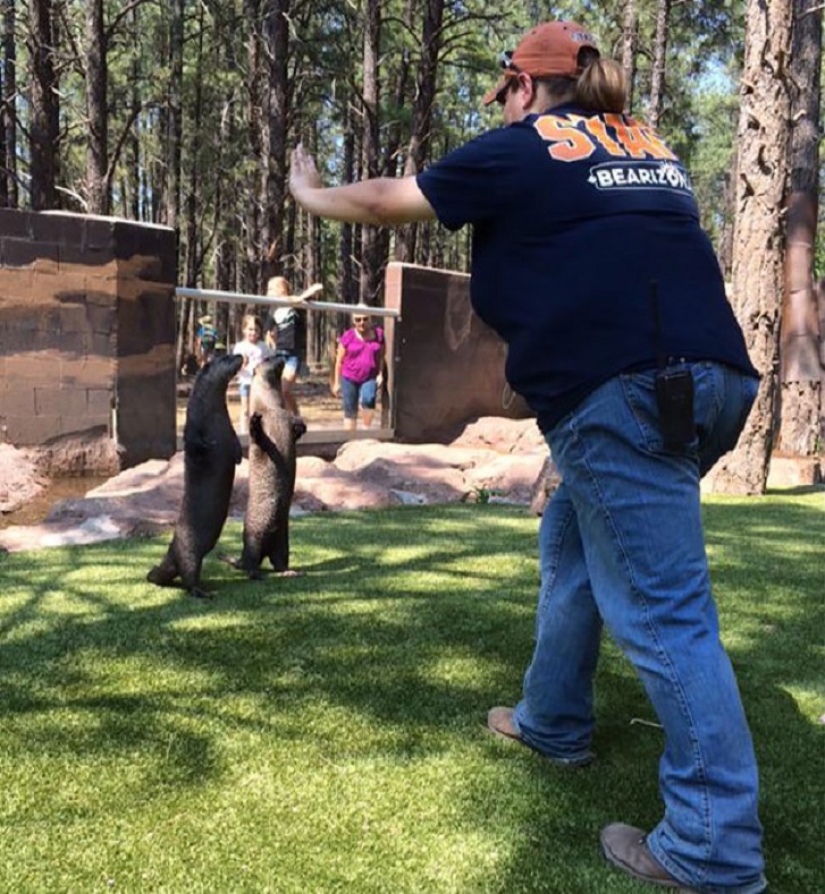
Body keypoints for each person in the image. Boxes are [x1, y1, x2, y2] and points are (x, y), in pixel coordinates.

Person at [288, 19, 766, 894]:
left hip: (624, 389)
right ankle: (552, 719)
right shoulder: (645, 143)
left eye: (503, 91)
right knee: (575, 546)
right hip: (716, 382)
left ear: (522, 85)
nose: (501, 106)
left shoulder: (522, 147)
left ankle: (712, 846)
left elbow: (383, 201)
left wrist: (309, 189)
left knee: (664, 613)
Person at [264, 276, 323, 419]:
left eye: (272, 288)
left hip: (293, 354)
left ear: (282, 289)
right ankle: (286, 418)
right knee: (279, 391)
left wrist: (309, 292)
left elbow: (315, 291)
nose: (268, 292)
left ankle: (296, 416)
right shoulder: (273, 310)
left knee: (285, 389)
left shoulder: (296, 304)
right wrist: (270, 341)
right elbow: (268, 331)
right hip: (279, 353)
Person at [333, 307, 385, 430]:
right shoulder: (348, 336)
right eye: (358, 319)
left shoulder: (379, 335)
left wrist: (380, 374)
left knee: (369, 399)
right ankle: (350, 440)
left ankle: (365, 433)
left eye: (365, 319)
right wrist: (336, 382)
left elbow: (382, 357)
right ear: (353, 321)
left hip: (369, 376)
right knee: (350, 409)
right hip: (349, 378)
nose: (362, 322)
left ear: (370, 319)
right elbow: (339, 361)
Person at [232, 313, 274, 435]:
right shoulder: (240, 346)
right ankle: (244, 431)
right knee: (245, 408)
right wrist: (240, 363)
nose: (253, 332)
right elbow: (235, 364)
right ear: (244, 330)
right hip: (245, 382)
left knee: (258, 409)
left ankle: (260, 431)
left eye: (256, 329)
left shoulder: (263, 347)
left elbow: (270, 359)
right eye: (250, 329)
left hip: (260, 383)